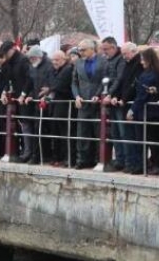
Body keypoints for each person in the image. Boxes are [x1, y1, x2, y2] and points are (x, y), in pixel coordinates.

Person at [127, 47, 159, 175]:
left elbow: (141, 95)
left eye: (142, 59)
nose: (141, 62)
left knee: (153, 139)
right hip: (157, 110)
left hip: (150, 111)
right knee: (158, 139)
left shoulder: (149, 74)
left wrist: (132, 110)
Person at [71, 39, 106, 169]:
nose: (81, 52)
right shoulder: (78, 63)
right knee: (82, 132)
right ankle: (83, 159)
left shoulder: (103, 61)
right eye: (79, 50)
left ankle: (99, 158)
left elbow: (105, 81)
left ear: (92, 49)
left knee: (98, 131)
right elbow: (74, 82)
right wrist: (77, 96)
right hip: (83, 102)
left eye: (83, 50)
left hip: (97, 102)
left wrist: (98, 94)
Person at [111, 42, 143, 173]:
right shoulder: (128, 64)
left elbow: (134, 84)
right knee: (128, 136)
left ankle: (136, 164)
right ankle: (130, 163)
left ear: (133, 51)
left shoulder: (138, 65)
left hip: (132, 104)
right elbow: (122, 82)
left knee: (134, 137)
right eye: (123, 54)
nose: (124, 56)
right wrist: (115, 96)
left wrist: (123, 99)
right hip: (124, 103)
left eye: (126, 53)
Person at [99, 37, 126, 171]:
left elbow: (119, 79)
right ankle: (120, 158)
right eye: (103, 49)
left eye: (106, 49)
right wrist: (98, 94)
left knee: (122, 131)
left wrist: (110, 94)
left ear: (114, 47)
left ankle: (125, 159)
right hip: (110, 99)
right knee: (115, 131)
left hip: (117, 98)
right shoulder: (107, 60)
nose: (104, 52)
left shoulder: (121, 60)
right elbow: (104, 79)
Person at [45, 50, 74, 167]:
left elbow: (60, 85)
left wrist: (51, 88)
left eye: (57, 60)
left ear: (64, 59)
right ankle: (57, 156)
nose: (54, 62)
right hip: (54, 105)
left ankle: (68, 158)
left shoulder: (68, 69)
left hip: (64, 105)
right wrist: (51, 89)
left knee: (65, 134)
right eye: (53, 60)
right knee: (55, 133)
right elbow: (50, 83)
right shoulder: (52, 70)